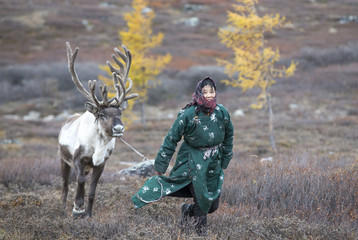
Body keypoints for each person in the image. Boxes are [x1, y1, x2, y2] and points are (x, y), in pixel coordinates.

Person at [131, 76, 234, 236]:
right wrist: (161, 165)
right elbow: (171, 138)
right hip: (192, 161)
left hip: (214, 162)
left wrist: (225, 160)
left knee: (212, 205)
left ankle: (187, 210)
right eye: (204, 91)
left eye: (211, 91)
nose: (208, 95)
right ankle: (201, 236)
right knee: (201, 200)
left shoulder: (222, 112)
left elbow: (229, 136)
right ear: (199, 93)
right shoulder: (189, 114)